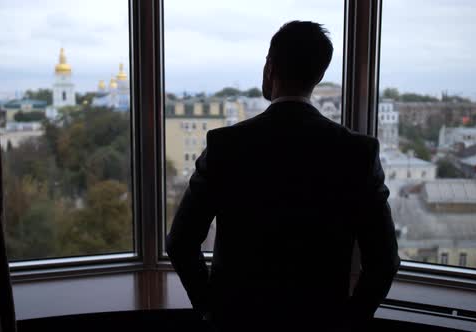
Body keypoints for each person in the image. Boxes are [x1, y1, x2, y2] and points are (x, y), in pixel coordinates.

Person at [166, 21, 400, 332]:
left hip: (238, 322)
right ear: (318, 75)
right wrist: (350, 320)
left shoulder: (226, 146)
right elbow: (384, 260)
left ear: (269, 67)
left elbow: (181, 242)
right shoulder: (357, 152)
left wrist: (210, 306)